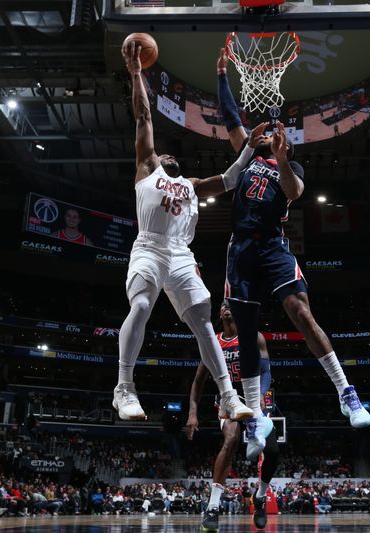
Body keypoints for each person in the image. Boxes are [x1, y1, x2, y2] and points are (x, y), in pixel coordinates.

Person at [216, 48, 370, 461]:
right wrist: (220, 77)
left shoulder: (292, 166)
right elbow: (231, 117)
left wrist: (284, 160)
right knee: (246, 332)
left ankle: (346, 392)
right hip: (240, 249)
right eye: (264, 133)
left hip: (271, 245)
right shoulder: (246, 155)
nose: (266, 133)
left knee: (301, 312)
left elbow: (293, 193)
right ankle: (254, 421)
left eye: (272, 133)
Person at [113, 40, 261, 423]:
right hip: (149, 246)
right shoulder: (148, 167)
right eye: (165, 155)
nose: (168, 157)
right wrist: (135, 73)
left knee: (203, 320)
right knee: (142, 305)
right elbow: (144, 117)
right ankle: (124, 388)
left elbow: (230, 180)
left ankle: (229, 396)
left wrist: (251, 149)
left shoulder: (192, 185)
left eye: (171, 157)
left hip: (181, 253)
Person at [185, 300, 279, 532]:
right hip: (229, 401)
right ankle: (213, 506)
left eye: (230, 304)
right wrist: (193, 413)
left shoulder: (254, 336)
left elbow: (266, 371)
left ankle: (260, 497)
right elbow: (198, 381)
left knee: (273, 452)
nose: (225, 307)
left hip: (255, 397)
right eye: (222, 305)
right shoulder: (212, 342)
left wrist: (260, 396)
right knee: (231, 440)